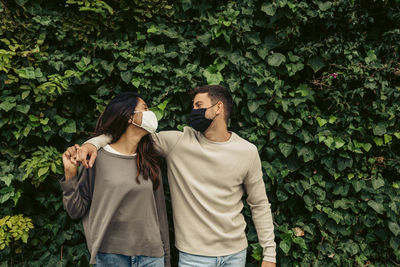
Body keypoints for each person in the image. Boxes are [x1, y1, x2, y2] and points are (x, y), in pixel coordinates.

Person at [75, 85, 276, 266]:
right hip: (193, 256)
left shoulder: (247, 151)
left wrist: (269, 255)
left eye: (199, 105)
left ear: (218, 108)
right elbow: (129, 134)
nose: (194, 111)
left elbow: (259, 204)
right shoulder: (178, 143)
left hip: (235, 254)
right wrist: (92, 144)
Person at [61, 92, 170, 267]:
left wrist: (166, 259)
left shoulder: (150, 159)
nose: (151, 113)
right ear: (129, 117)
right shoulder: (97, 158)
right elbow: (76, 210)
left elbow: (160, 215)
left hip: (151, 256)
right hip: (110, 257)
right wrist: (70, 174)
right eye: (145, 108)